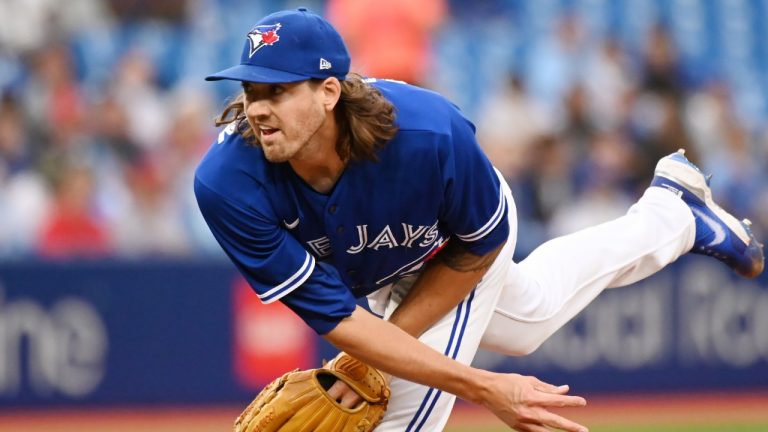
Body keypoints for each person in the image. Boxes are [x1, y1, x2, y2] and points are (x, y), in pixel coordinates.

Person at [194, 8, 764, 432]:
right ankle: (673, 214)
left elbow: (476, 253)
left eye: (277, 89)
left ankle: (672, 215)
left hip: (457, 246)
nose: (258, 107)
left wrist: (484, 388)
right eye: (250, 90)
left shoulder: (430, 137)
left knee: (397, 416)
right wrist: (367, 362)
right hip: (378, 268)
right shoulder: (227, 184)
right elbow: (341, 320)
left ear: (328, 92)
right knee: (528, 317)